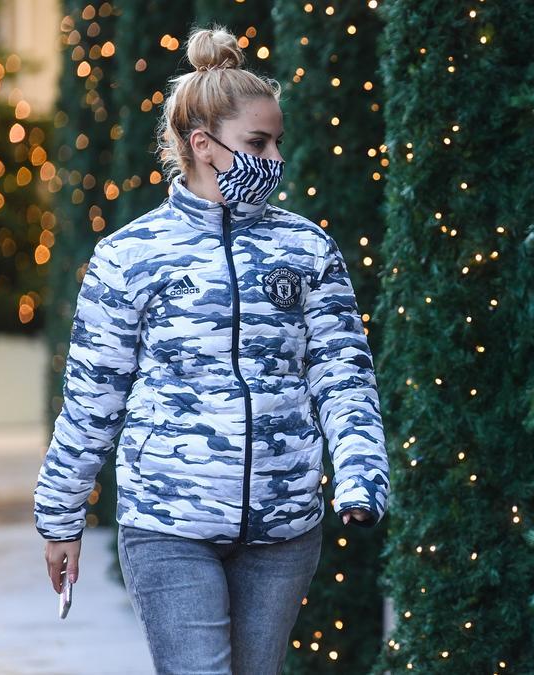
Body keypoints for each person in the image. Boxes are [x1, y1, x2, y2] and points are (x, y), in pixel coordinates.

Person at [33, 23, 390, 675]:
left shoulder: (307, 249)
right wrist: (61, 514)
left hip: (284, 528)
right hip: (168, 521)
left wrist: (361, 472)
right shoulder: (129, 257)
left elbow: (344, 373)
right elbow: (91, 400)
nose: (274, 157)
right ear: (203, 144)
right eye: (259, 142)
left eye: (278, 141)